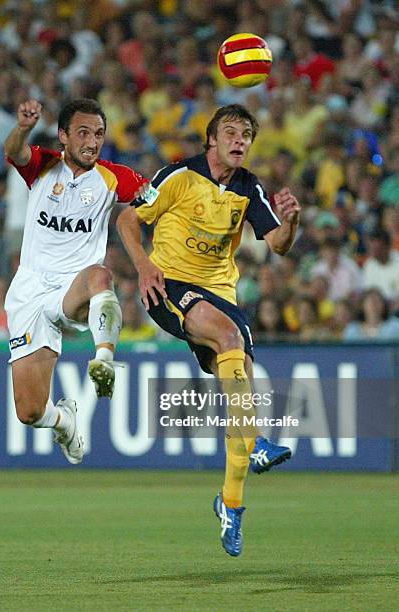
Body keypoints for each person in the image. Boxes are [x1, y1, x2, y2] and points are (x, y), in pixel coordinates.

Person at [117, 104, 301, 556]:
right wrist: (142, 267)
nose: (240, 140)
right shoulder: (177, 176)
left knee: (239, 384)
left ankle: (230, 505)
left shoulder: (248, 187)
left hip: (221, 297)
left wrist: (291, 220)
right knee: (232, 344)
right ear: (211, 140)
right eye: (231, 132)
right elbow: (126, 217)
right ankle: (257, 441)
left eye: (247, 135)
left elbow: (277, 245)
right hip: (167, 285)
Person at [4, 98, 147, 465]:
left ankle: (104, 360)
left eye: (98, 134)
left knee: (101, 275)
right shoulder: (42, 165)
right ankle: (64, 420)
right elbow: (15, 151)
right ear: (63, 136)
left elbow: (156, 198)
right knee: (30, 412)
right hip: (30, 292)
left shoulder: (114, 178)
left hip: (74, 288)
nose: (92, 142)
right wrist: (22, 127)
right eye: (83, 133)